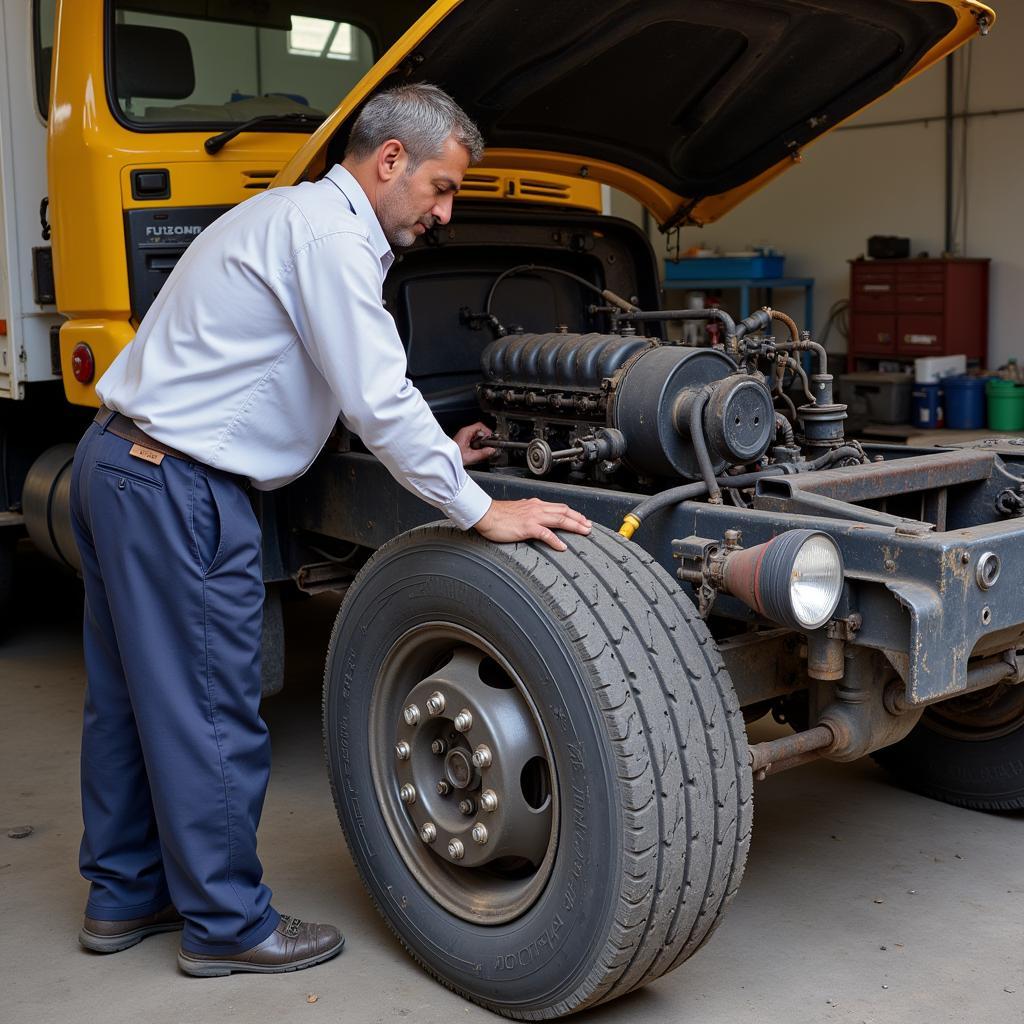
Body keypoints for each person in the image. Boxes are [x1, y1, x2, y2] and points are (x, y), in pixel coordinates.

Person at [70, 83, 591, 978]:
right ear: (390, 161)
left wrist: (444, 449)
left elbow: (303, 370)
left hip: (119, 463)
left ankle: (123, 897)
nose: (445, 212)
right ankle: (228, 926)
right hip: (179, 488)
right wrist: (479, 507)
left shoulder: (291, 217)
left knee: (128, 705)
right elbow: (377, 393)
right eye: (440, 187)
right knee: (208, 713)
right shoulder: (332, 237)